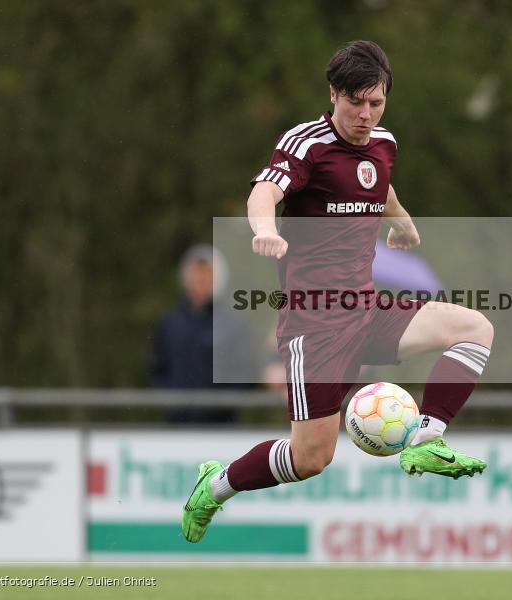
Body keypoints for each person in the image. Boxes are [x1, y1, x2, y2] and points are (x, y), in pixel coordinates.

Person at [182, 41, 493, 543]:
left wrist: (403, 224)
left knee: (474, 327)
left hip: (366, 310)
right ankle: (215, 485)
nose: (365, 115)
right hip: (314, 326)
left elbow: (380, 185)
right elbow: (265, 190)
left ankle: (426, 440)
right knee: (311, 459)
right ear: (333, 94)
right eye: (356, 103)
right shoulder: (307, 145)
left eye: (376, 103)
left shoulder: (384, 142)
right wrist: (264, 228)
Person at [151, 245, 260, 423]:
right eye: (196, 274)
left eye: (207, 274)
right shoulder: (171, 324)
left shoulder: (234, 325)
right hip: (178, 427)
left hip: (222, 427)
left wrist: (222, 404)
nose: (201, 280)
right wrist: (173, 403)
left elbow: (247, 374)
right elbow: (158, 369)